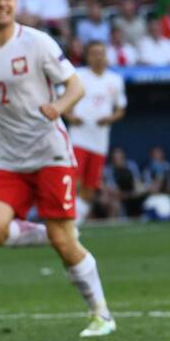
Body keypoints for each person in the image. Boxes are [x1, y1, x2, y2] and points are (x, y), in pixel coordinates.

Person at [0, 0, 115, 338]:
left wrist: (56, 106)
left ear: (15, 2)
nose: (2, 4)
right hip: (10, 159)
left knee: (65, 245)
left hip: (51, 153)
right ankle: (56, 234)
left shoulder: (37, 42)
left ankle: (101, 314)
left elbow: (75, 86)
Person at [65, 41, 127, 217]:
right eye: (93, 53)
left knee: (90, 186)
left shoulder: (115, 80)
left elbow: (120, 109)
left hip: (100, 140)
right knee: (74, 179)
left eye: (101, 53)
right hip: (79, 136)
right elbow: (64, 100)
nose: (98, 57)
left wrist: (110, 118)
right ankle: (67, 217)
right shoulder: (78, 75)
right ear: (87, 56)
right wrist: (70, 116)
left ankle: (76, 220)